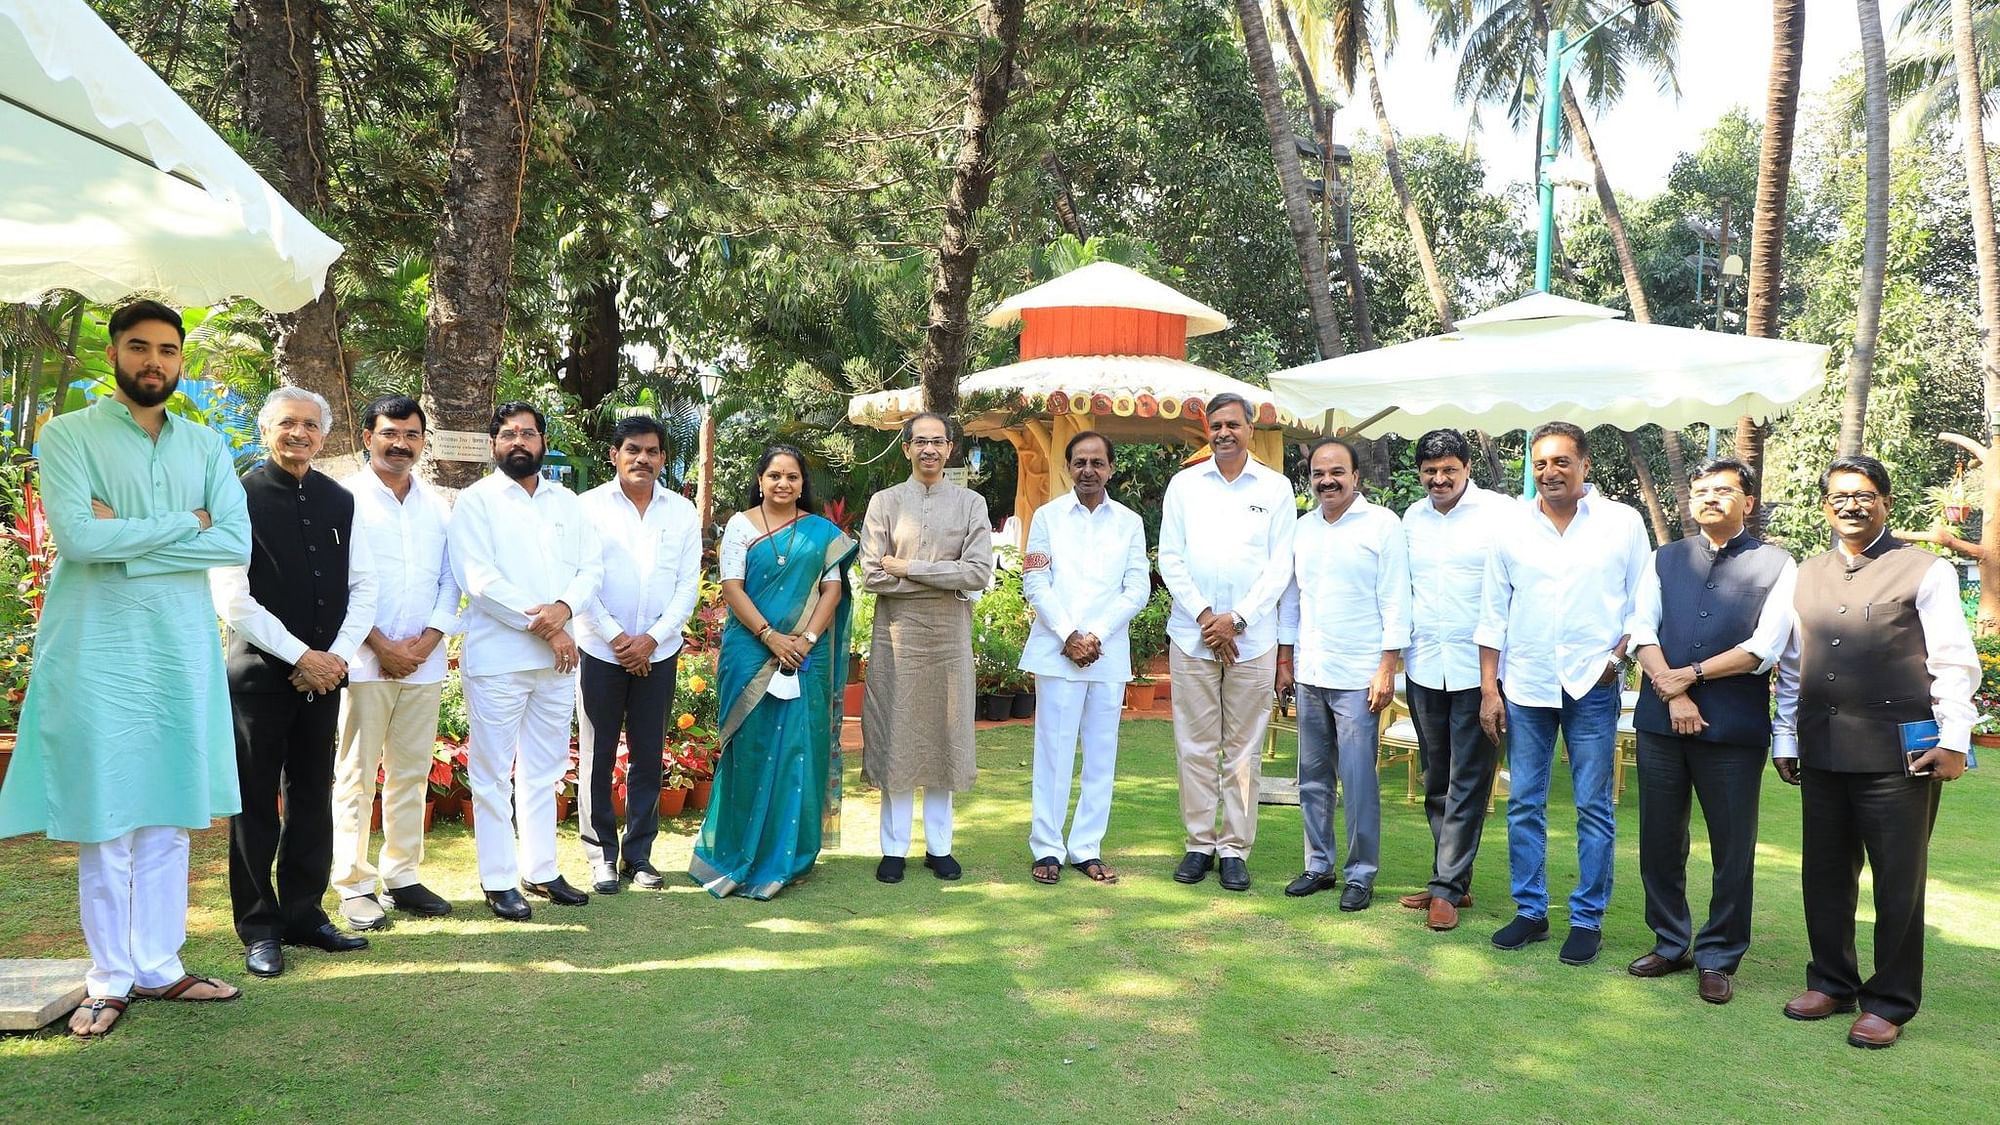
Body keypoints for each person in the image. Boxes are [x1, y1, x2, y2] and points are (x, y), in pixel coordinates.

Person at [0, 300, 251, 1036]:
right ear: (112, 354)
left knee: (172, 810)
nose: (154, 362)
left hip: (178, 646)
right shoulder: (69, 436)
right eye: (139, 347)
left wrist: (128, 537)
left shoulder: (204, 446)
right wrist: (187, 524)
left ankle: (160, 966)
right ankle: (108, 977)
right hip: (97, 647)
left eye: (167, 350)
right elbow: (77, 539)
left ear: (180, 360)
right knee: (106, 816)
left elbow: (233, 541)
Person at [1773, 454, 1976, 1049]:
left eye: (1863, 494)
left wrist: (1954, 739)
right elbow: (1790, 664)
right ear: (1824, 506)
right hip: (1823, 750)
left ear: (1885, 501)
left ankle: (1889, 1001)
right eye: (1838, 496)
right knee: (1826, 876)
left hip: (1900, 757)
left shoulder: (1924, 569)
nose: (1850, 505)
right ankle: (1831, 981)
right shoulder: (1803, 573)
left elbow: (1953, 660)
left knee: (1897, 883)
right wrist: (1786, 735)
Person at [212, 387, 378, 978]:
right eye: (288, 424)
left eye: (311, 424)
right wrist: (300, 655)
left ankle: (306, 914)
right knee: (255, 802)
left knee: (312, 795)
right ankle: (259, 927)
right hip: (259, 676)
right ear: (267, 431)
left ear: (324, 434)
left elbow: (364, 586)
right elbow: (233, 596)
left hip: (324, 677)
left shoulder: (339, 498)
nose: (299, 433)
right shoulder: (238, 495)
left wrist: (331, 657)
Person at [1475, 420, 1649, 966]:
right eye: (1541, 462)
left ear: (1584, 467)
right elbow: (1491, 613)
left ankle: (1587, 919)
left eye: (1561, 462)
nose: (1550, 471)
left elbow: (1643, 603)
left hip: (1592, 685)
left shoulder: (1621, 523)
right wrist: (1488, 689)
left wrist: (1616, 659)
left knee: (1593, 805)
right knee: (1524, 802)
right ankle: (1531, 912)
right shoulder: (1510, 527)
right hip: (1525, 684)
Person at [1625, 458, 1795, 1004]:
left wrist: (1691, 677)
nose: (1710, 499)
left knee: (1732, 846)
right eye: (1701, 491)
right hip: (1660, 723)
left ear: (1748, 501)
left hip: (1733, 729)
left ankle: (1719, 954)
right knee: (1659, 840)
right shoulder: (1665, 558)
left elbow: (1765, 647)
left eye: (1724, 490)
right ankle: (1670, 942)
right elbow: (1639, 630)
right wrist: (1674, 692)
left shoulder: (1777, 564)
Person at [448, 402, 603, 920]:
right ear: (493, 444)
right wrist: (551, 627)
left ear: (543, 441)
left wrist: (562, 614)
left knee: (545, 768)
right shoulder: (475, 503)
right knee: (492, 772)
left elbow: (590, 570)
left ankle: (541, 870)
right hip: (500, 658)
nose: (519, 441)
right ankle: (497, 878)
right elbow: (481, 581)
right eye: (509, 434)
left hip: (556, 660)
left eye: (529, 433)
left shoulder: (567, 503)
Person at [691, 445, 857, 899]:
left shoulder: (822, 532)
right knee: (750, 746)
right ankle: (736, 851)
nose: (784, 484)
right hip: (749, 649)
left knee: (801, 748)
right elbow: (731, 588)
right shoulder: (740, 527)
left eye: (793, 477)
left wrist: (803, 641)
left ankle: (793, 855)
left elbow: (832, 591)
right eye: (774, 476)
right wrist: (770, 636)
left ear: (804, 484)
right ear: (760, 480)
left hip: (808, 653)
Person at [332, 395, 462, 930]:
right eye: (390, 433)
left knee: (410, 773)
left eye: (411, 434)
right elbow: (335, 582)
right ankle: (353, 884)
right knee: (356, 776)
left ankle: (402, 875)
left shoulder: (437, 507)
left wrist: (429, 641)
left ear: (422, 442)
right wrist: (380, 645)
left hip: (423, 664)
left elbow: (450, 580)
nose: (400, 443)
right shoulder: (344, 500)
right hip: (364, 662)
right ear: (368, 437)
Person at [1158, 392, 1296, 892]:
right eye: (1216, 425)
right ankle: (1199, 844)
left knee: (1243, 751)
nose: (1224, 433)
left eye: (1233, 424)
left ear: (1250, 429)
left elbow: (1281, 566)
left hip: (1252, 641)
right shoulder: (1184, 485)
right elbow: (1170, 557)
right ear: (1206, 429)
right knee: (1194, 747)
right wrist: (1206, 617)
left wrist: (1235, 620)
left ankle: (1234, 848)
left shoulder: (1276, 488)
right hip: (1192, 637)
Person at [1275, 437, 1410, 912]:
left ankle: (1360, 873)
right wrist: (1285, 661)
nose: (1327, 480)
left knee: (1357, 780)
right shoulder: (1301, 529)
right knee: (1311, 779)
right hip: (1311, 670)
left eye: (1337, 472)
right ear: (1309, 478)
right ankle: (1318, 865)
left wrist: (1386, 667)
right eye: (1318, 473)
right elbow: (1291, 600)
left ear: (1356, 476)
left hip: (1359, 675)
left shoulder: (1382, 525)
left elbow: (1396, 600)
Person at [859, 413, 993, 883]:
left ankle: (940, 847)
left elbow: (977, 573)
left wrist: (908, 568)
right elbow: (873, 575)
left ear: (951, 448)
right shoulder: (886, 502)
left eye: (938, 441)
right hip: (897, 638)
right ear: (906, 449)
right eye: (921, 442)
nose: (930, 449)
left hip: (949, 639)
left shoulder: (971, 503)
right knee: (897, 734)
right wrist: (942, 577)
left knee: (945, 734)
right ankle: (893, 849)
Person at [576, 415, 701, 893]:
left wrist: (650, 639)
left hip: (659, 651)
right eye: (632, 449)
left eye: (651, 451)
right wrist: (618, 639)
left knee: (649, 754)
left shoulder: (681, 512)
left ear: (663, 458)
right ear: (614, 455)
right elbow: (582, 582)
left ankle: (640, 855)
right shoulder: (587, 508)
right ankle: (600, 855)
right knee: (598, 754)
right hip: (600, 651)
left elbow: (687, 585)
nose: (642, 459)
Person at [1020, 432, 1149, 886]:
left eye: (1097, 462)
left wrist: (1094, 635)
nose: (1088, 470)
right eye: (1080, 462)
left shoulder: (1129, 522)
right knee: (1053, 753)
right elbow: (1036, 581)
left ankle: (1087, 848)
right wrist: (1069, 634)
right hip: (1058, 653)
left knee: (1100, 754)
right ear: (1068, 468)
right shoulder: (1048, 517)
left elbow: (1138, 588)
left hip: (1108, 654)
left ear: (1111, 468)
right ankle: (1048, 848)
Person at [1397, 428, 1512, 932]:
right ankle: (1453, 880)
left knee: (1469, 780)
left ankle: (1445, 888)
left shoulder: (1501, 514)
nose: (1439, 479)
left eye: (1449, 470)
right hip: (1425, 665)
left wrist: (1496, 682)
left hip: (1478, 670)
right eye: (1430, 471)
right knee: (1436, 778)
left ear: (1467, 468)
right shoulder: (1411, 519)